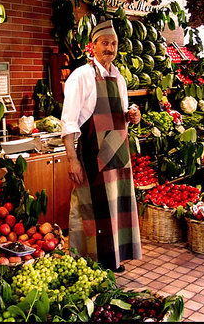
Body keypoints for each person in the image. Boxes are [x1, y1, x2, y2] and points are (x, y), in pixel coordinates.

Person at [61, 20, 142, 272]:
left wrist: (132, 116)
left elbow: (122, 112)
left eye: (114, 43)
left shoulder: (119, 78)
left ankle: (113, 259)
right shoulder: (81, 76)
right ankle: (87, 263)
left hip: (118, 155)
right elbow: (69, 121)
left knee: (116, 210)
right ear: (93, 46)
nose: (110, 48)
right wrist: (72, 159)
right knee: (89, 210)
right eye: (105, 43)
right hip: (92, 155)